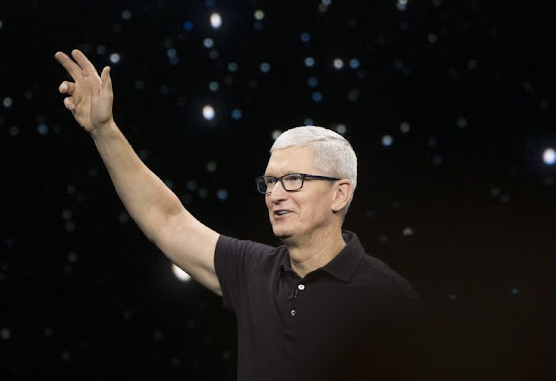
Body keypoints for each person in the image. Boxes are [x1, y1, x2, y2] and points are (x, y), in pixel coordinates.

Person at [55, 49, 425, 380]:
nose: (275, 195)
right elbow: (168, 221)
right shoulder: (252, 269)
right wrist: (104, 130)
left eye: (293, 180)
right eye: (270, 182)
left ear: (339, 194)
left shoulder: (386, 297)